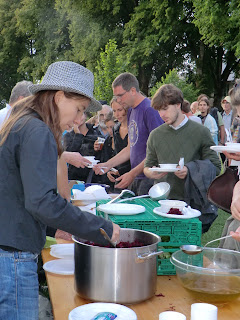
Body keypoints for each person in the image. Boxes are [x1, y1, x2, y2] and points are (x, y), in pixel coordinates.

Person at [0, 61, 120, 319]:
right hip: (13, 257)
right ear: (58, 97)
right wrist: (102, 228)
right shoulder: (37, 130)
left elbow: (23, 193)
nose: (79, 120)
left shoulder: (22, 122)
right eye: (79, 109)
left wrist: (57, 227)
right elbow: (42, 201)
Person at [143, 84, 221, 232]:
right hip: (162, 204)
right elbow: (148, 166)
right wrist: (151, 173)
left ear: (178, 105)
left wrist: (190, 170)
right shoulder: (155, 135)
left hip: (190, 205)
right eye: (159, 110)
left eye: (165, 108)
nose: (161, 114)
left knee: (187, 250)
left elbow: (216, 166)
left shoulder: (201, 132)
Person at [94, 72, 164, 196]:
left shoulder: (150, 110)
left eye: (120, 95)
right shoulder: (131, 110)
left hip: (150, 179)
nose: (118, 100)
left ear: (132, 90)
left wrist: (132, 174)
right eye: (116, 96)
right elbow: (130, 147)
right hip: (136, 177)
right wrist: (107, 165)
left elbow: (158, 151)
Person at [63, 111, 101, 182]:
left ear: (85, 115)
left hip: (94, 175)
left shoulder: (95, 132)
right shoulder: (68, 135)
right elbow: (70, 154)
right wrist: (77, 134)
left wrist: (97, 149)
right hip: (75, 176)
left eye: (81, 115)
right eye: (75, 115)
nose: (78, 118)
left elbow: (102, 154)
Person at [107, 98, 131, 184]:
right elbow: (117, 153)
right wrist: (110, 169)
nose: (117, 114)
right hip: (118, 177)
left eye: (120, 110)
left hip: (133, 175)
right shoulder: (115, 128)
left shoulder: (135, 127)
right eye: (114, 111)